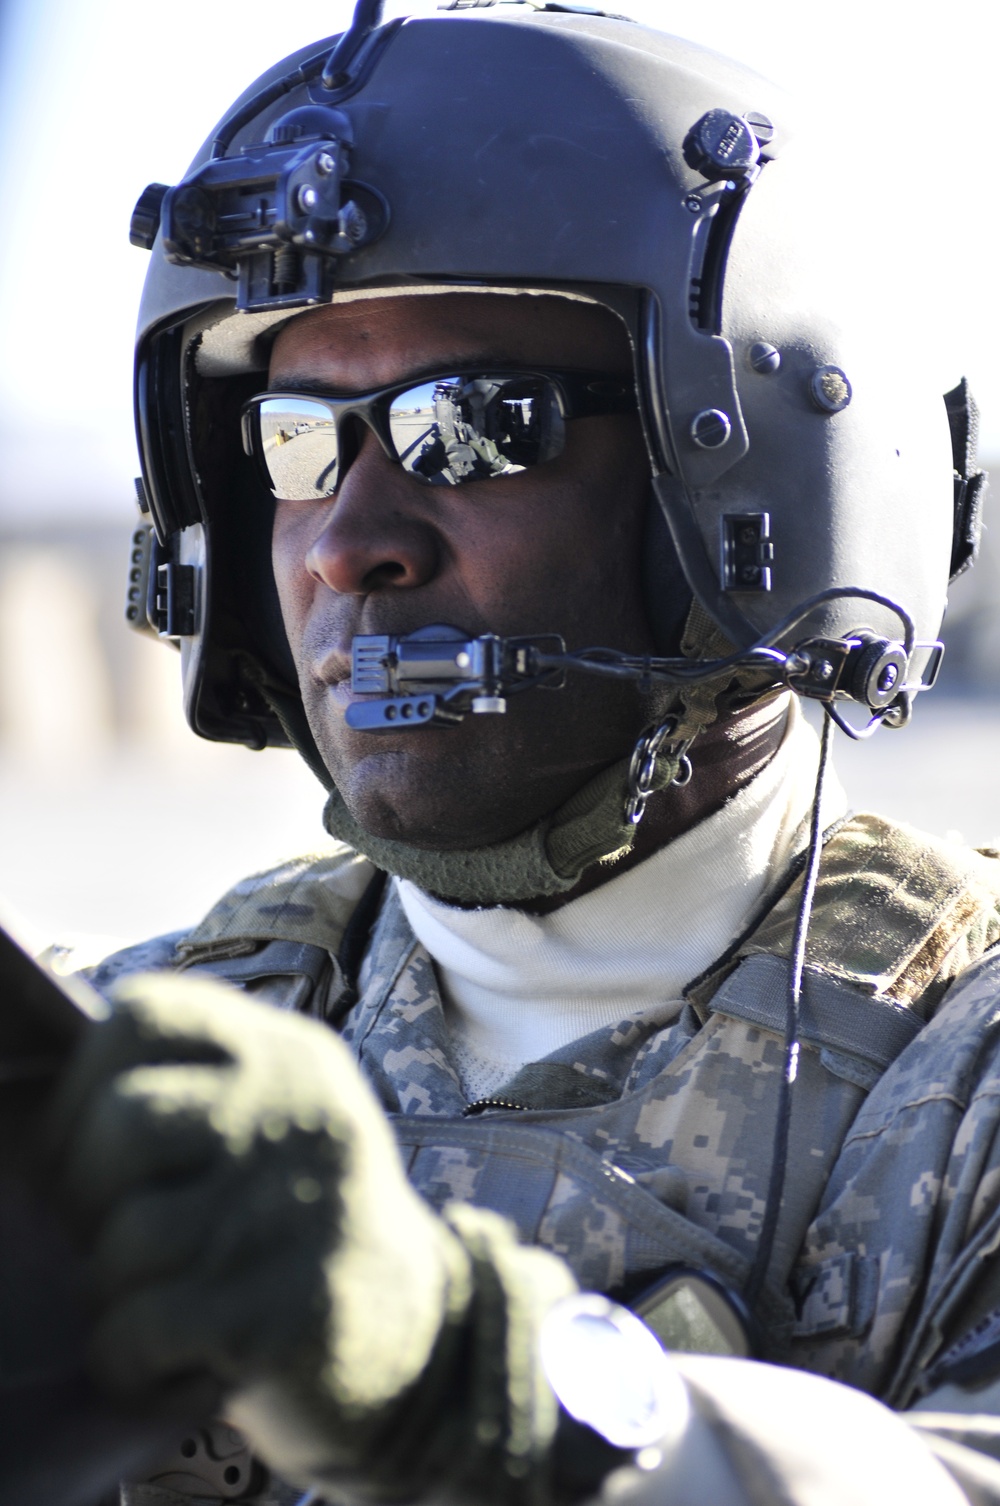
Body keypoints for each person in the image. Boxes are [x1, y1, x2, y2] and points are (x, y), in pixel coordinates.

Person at [23, 2, 1000, 1503]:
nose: (348, 545)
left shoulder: (966, 1079)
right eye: (295, 441)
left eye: (473, 427)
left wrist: (480, 1384)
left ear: (755, 486)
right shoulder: (135, 1066)